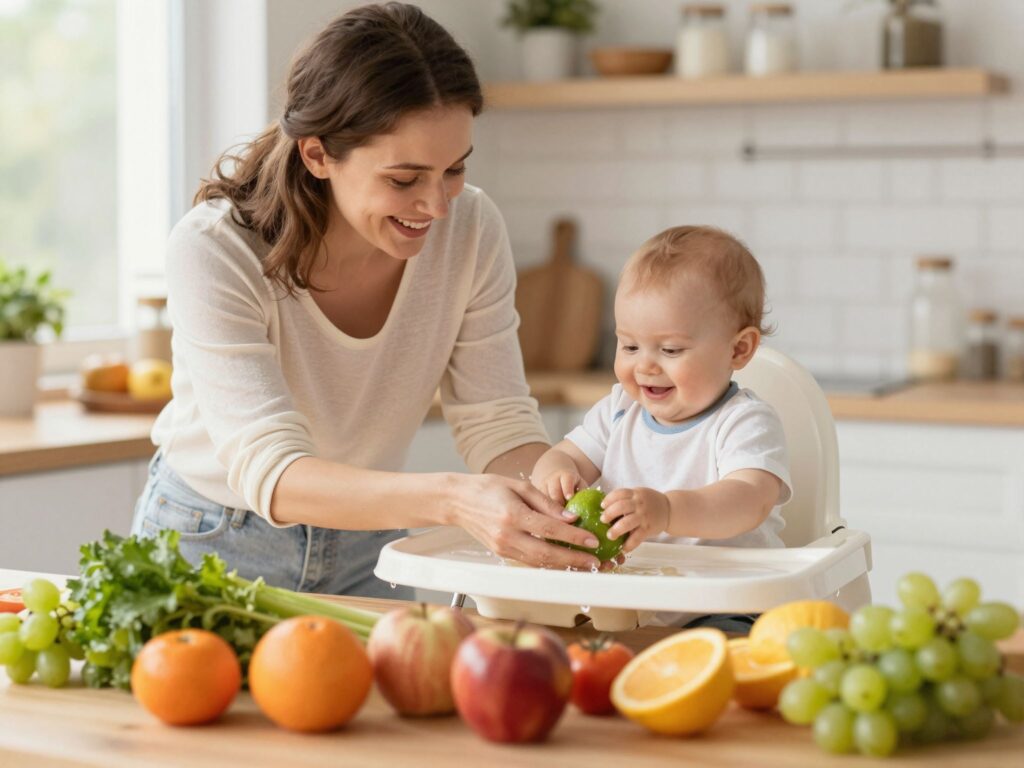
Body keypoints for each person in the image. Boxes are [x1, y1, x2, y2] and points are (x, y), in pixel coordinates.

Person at [130, 2, 605, 599]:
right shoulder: (217, 249)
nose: (436, 206)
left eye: (453, 170)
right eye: (403, 180)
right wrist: (457, 501)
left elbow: (496, 421)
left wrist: (566, 509)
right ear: (318, 154)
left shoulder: (471, 228)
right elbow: (271, 472)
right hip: (215, 540)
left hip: (369, 543)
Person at [531, 225, 792, 628]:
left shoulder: (743, 421)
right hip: (626, 599)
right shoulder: (619, 409)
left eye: (670, 349)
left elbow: (748, 500)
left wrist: (667, 510)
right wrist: (556, 477)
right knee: (550, 632)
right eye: (629, 346)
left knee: (728, 652)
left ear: (739, 349)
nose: (645, 365)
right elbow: (564, 455)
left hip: (723, 601)